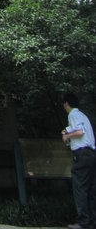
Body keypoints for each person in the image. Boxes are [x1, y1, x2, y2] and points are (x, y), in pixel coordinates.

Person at [62, 92, 96, 229]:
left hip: (82, 155)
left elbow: (79, 132)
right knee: (91, 188)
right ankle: (92, 220)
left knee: (80, 187)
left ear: (66, 104)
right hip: (91, 154)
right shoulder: (83, 115)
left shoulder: (73, 115)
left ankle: (83, 221)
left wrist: (67, 136)